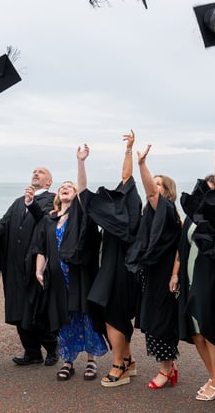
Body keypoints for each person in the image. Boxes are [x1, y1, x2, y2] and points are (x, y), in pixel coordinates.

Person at [33, 145, 108, 381]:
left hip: (79, 275)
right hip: (57, 278)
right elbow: (42, 248)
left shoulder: (81, 214)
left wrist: (81, 162)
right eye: (62, 187)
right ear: (56, 196)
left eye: (70, 187)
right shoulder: (49, 219)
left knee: (85, 315)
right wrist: (39, 270)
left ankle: (91, 361)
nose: (66, 189)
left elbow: (84, 189)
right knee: (64, 317)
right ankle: (67, 360)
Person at [175, 131, 215, 402]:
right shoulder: (194, 217)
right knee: (195, 332)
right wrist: (175, 274)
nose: (211, 191)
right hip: (190, 278)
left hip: (213, 278)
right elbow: (182, 247)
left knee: (211, 330)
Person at [0, 167, 58, 366]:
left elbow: (46, 220)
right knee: (17, 310)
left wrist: (31, 203)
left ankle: (52, 349)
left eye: (41, 172)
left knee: (36, 311)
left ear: (48, 182)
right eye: (34, 171)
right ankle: (32, 352)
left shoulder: (51, 200)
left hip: (35, 266)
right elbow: (4, 223)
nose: (35, 173)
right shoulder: (17, 202)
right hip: (13, 265)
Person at [84, 131, 142, 387]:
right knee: (114, 316)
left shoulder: (127, 218)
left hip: (120, 271)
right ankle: (127, 360)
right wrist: (128, 150)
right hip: (115, 269)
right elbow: (126, 179)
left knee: (113, 317)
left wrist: (130, 151)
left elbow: (128, 179)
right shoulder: (119, 215)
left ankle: (119, 365)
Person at [126, 144, 182, 390]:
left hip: (163, 276)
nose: (153, 187)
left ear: (167, 192)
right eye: (153, 182)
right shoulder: (148, 214)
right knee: (150, 321)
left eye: (159, 184)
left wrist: (142, 165)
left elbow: (150, 194)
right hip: (149, 274)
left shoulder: (167, 211)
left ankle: (165, 370)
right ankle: (169, 367)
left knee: (160, 323)